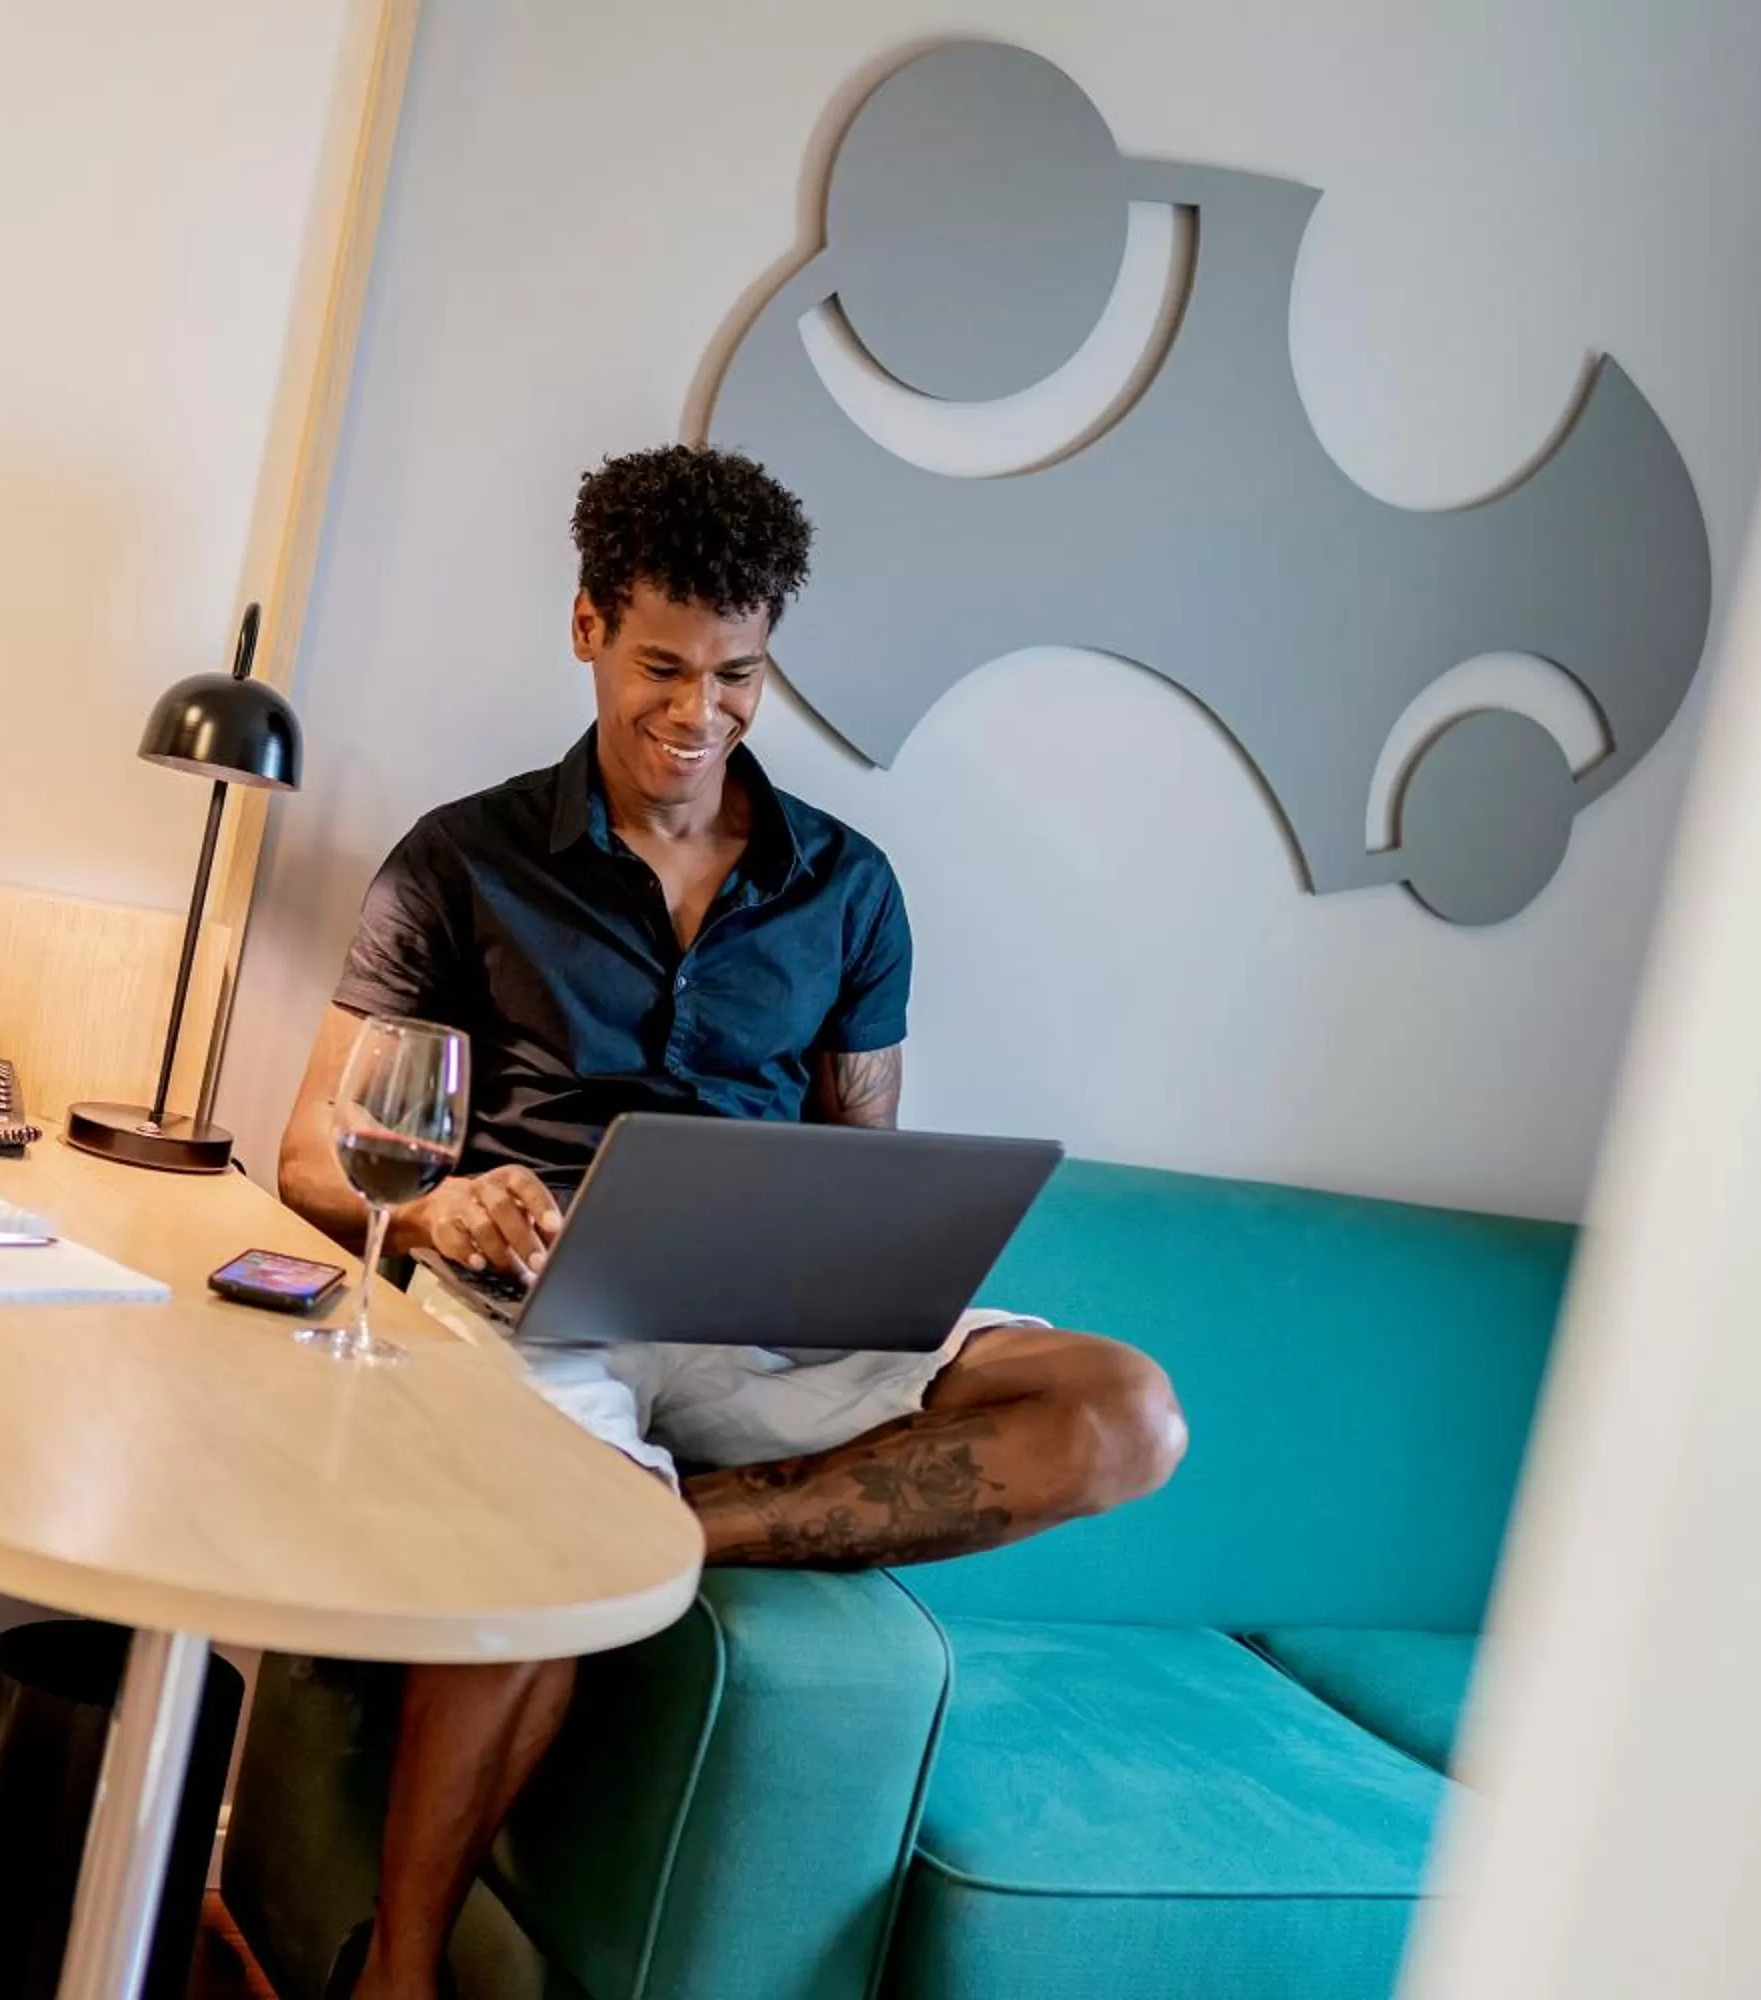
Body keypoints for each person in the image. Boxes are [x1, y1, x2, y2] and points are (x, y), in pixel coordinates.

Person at [278, 444, 1188, 2000]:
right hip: (525, 1306)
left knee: (1124, 1415)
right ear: (585, 629)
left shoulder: (853, 888)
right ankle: (401, 1973)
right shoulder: (462, 858)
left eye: (740, 675)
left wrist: (856, 1255)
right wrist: (444, 1208)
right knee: (538, 1552)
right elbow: (315, 1155)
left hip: (758, 1326)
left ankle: (661, 1531)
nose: (699, 711)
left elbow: (863, 1162)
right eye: (664, 666)